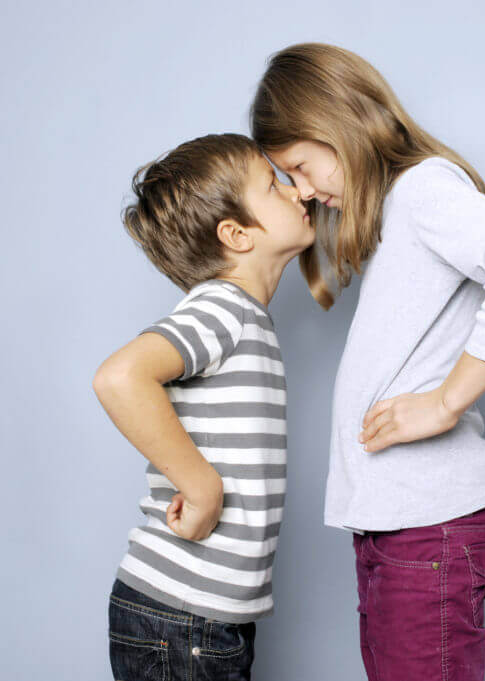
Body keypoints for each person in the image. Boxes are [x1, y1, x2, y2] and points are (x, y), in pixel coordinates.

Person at [251, 44, 485, 681]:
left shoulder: (423, 191)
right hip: (403, 524)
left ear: (336, 124)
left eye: (301, 167)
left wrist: (446, 403)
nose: (305, 192)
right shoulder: (400, 209)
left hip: (430, 524)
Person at [93, 133, 314, 681]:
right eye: (274, 185)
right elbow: (120, 377)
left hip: (200, 619)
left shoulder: (243, 315)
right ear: (237, 235)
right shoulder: (223, 308)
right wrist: (201, 488)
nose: (296, 191)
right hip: (182, 617)